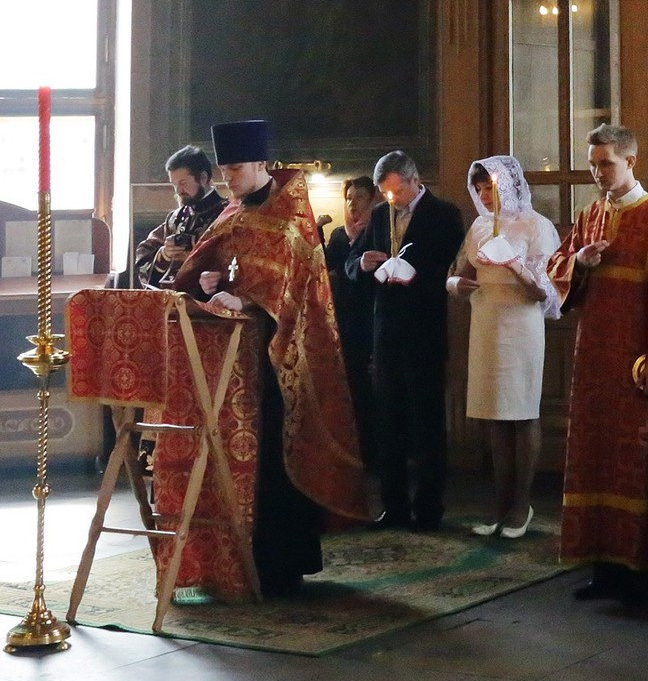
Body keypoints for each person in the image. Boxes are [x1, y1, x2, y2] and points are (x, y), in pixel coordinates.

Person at [169, 119, 368, 597]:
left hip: (279, 360)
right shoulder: (232, 212)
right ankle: (231, 559)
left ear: (260, 163)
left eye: (235, 168)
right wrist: (210, 284)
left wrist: (252, 301)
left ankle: (281, 564)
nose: (227, 178)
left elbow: (298, 287)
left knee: (275, 458)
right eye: (223, 169)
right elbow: (204, 267)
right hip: (231, 361)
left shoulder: (292, 214)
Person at [549, 122, 648, 604]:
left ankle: (641, 572)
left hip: (639, 359)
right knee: (596, 458)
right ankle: (604, 568)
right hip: (594, 359)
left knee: (637, 460)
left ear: (631, 162)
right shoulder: (590, 214)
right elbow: (556, 270)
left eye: (606, 164)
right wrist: (581, 264)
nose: (598, 173)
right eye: (592, 165)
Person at [345, 151, 464, 531]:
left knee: (427, 423)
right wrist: (363, 264)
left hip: (423, 331)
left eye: (397, 191)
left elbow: (451, 268)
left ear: (414, 180)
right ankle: (392, 505)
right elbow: (350, 263)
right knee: (388, 424)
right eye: (386, 193)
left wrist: (414, 273)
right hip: (386, 334)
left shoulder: (443, 213)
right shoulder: (379, 216)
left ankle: (428, 508)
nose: (392, 200)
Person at [447, 157, 559, 538]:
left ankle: (522, 504)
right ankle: (499, 501)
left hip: (521, 322)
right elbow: (456, 272)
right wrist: (456, 286)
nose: (483, 196)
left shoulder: (536, 225)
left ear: (508, 186)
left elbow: (546, 291)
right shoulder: (479, 226)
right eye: (477, 189)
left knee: (522, 411)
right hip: (486, 320)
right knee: (495, 414)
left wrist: (514, 266)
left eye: (489, 188)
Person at [323, 175, 378, 468]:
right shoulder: (338, 236)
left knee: (372, 390)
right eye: (349, 198)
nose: (353, 204)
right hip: (344, 320)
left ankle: (373, 453)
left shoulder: (380, 232)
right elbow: (326, 268)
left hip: (370, 319)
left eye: (360, 198)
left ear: (373, 201)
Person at [131, 145, 227, 288]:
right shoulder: (175, 218)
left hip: (206, 300)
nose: (178, 190)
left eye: (183, 183)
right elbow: (144, 253)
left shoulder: (226, 214)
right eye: (174, 184)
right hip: (171, 300)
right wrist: (164, 254)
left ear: (203, 178)